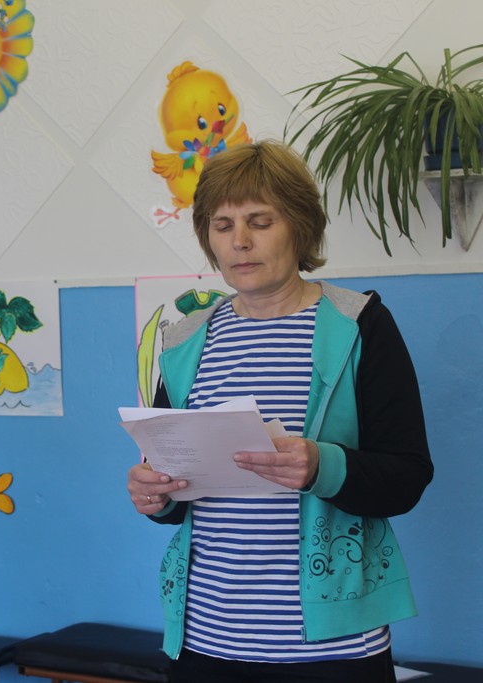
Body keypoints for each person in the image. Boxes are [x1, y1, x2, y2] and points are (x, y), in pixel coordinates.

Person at [127, 141, 433, 683]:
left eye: (260, 221)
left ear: (300, 226)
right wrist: (154, 495)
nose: (240, 241)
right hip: (207, 637)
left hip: (334, 648)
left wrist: (321, 466)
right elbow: (176, 494)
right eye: (222, 225)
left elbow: (407, 477)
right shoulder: (183, 343)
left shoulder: (359, 326)